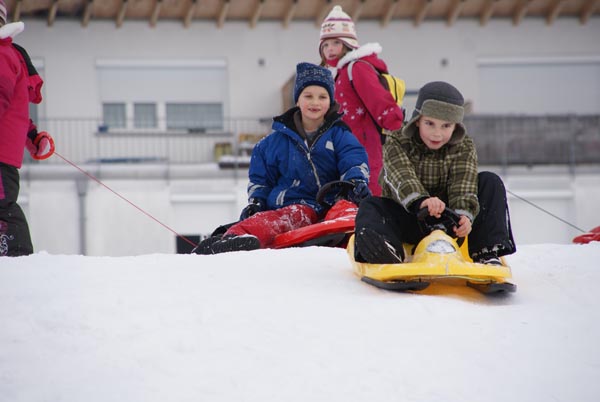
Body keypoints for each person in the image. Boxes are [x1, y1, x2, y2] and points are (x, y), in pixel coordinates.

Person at [194, 62, 370, 255]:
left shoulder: (340, 134)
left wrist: (355, 182)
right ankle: (235, 238)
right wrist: (256, 202)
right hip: (295, 204)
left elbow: (353, 158)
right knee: (286, 218)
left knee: (352, 214)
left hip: (331, 204)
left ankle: (367, 246)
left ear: (330, 101)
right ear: (297, 100)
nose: (315, 102)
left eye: (322, 97)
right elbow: (261, 180)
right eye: (308, 96)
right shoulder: (272, 143)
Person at [353, 81, 516, 265]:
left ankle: (487, 251)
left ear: (456, 126)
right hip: (409, 218)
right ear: (417, 120)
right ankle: (384, 249)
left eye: (446, 126)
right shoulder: (397, 140)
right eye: (430, 123)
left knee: (490, 181)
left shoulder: (463, 146)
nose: (437, 133)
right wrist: (421, 201)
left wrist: (464, 216)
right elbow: (401, 175)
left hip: (449, 222)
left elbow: (463, 183)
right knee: (371, 205)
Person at [318, 5, 404, 196]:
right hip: (346, 146)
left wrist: (395, 124)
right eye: (325, 45)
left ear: (348, 43)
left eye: (335, 43)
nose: (329, 49)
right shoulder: (336, 75)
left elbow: (378, 99)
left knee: (369, 193)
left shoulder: (356, 68)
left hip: (366, 145)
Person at [1, 1, 55, 256]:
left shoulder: (1, 54)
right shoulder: (8, 53)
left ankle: (15, 257)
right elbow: (16, 109)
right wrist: (32, 136)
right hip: (4, 151)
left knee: (2, 206)